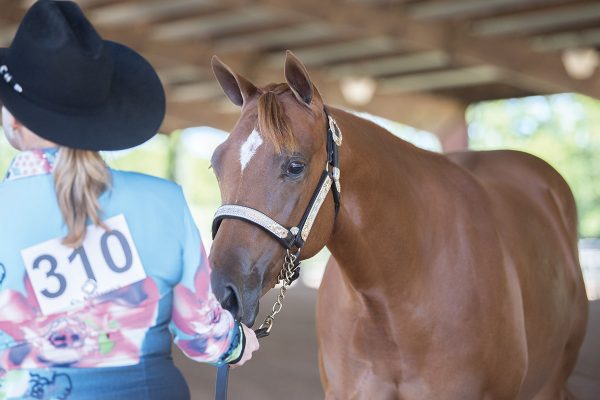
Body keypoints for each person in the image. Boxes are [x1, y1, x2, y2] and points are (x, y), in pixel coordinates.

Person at [0, 1, 258, 399]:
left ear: (13, 119)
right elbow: (199, 333)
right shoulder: (165, 201)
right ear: (101, 117)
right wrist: (235, 342)